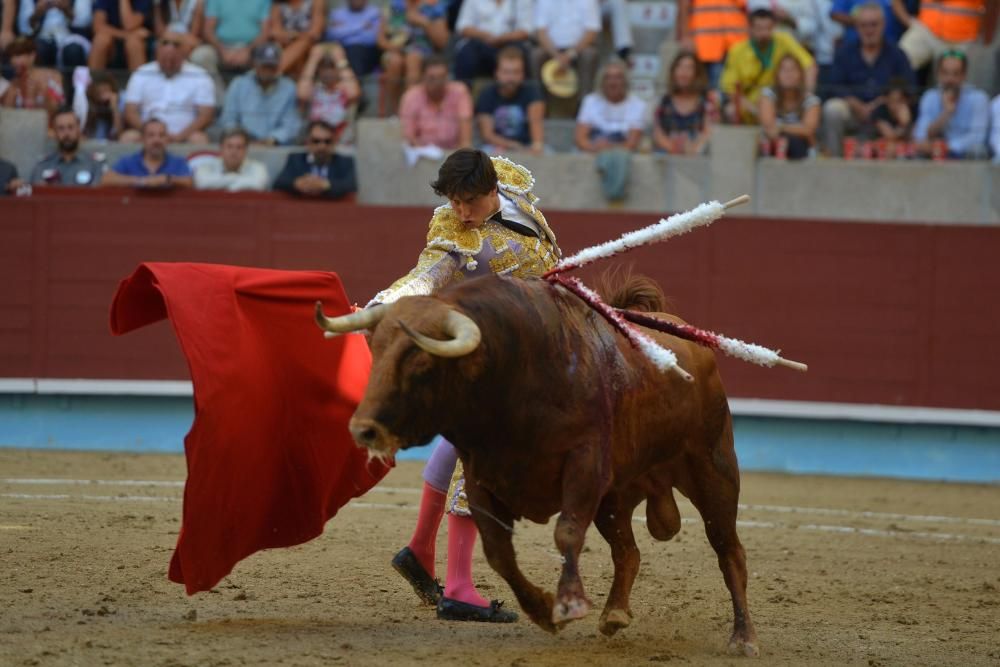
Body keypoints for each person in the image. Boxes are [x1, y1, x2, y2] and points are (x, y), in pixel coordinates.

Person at [373, 148, 560, 623]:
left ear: (494, 188)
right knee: (482, 452)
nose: (461, 212)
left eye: (469, 201)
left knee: (461, 446)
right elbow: (426, 275)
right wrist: (385, 305)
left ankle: (419, 548)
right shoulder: (451, 231)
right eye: (454, 202)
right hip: (488, 353)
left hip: (528, 342)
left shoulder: (513, 185)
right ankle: (457, 586)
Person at [821, 2, 914, 155]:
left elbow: (909, 87)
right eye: (864, 25)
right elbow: (833, 86)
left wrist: (884, 103)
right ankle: (834, 161)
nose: (869, 30)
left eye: (874, 25)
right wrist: (853, 102)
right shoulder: (845, 52)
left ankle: (902, 165)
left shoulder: (897, 54)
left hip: (886, 113)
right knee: (832, 109)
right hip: (854, 111)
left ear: (883, 25)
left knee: (905, 111)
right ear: (856, 27)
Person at [720, 8, 816, 123]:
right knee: (730, 110)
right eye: (759, 29)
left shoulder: (784, 40)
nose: (764, 33)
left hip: (780, 102)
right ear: (749, 28)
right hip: (750, 106)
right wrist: (756, 111)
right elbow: (730, 89)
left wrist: (807, 94)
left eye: (768, 28)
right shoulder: (737, 51)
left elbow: (809, 65)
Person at [120, 27, 215, 143]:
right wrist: (151, 134)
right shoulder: (142, 73)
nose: (169, 48)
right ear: (157, 49)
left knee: (199, 139)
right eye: (164, 43)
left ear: (185, 50)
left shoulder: (200, 75)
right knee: (128, 137)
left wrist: (180, 136)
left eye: (176, 45)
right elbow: (130, 112)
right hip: (147, 134)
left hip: (184, 135)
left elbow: (205, 116)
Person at [574, 58, 646, 202]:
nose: (613, 82)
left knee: (620, 157)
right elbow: (580, 138)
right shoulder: (590, 101)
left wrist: (606, 148)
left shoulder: (638, 105)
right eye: (608, 77)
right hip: (593, 151)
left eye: (618, 77)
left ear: (625, 81)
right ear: (601, 81)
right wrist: (594, 147)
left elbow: (632, 143)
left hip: (620, 152)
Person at [220, 42, 303, 146]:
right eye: (264, 66)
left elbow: (291, 123)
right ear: (255, 64)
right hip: (243, 144)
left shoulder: (289, 87)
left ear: (278, 66)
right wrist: (243, 139)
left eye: (271, 66)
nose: (267, 70)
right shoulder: (238, 84)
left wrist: (273, 138)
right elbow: (228, 119)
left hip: (276, 144)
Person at [377, 0, 449, 116]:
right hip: (395, 49)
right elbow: (380, 40)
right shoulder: (393, 5)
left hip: (422, 51)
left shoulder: (434, 7)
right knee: (395, 61)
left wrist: (424, 23)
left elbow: (442, 42)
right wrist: (392, 47)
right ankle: (395, 111)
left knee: (413, 58)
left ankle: (410, 111)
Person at [913, 50, 989, 159]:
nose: (950, 79)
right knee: (917, 153)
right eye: (945, 73)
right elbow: (920, 135)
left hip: (964, 156)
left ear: (964, 76)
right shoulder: (929, 97)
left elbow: (978, 137)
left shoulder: (978, 98)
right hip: (935, 156)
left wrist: (947, 147)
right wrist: (946, 114)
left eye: (955, 74)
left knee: (977, 150)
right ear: (938, 74)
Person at [474, 45, 544, 154]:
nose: (511, 78)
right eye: (506, 72)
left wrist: (536, 146)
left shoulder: (532, 92)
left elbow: (536, 125)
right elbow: (487, 135)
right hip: (495, 145)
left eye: (516, 72)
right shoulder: (487, 94)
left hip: (526, 144)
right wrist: (513, 146)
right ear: (497, 73)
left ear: (523, 74)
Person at [399, 54, 473, 154]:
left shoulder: (460, 92)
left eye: (442, 77)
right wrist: (428, 154)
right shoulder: (411, 97)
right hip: (422, 155)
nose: (438, 83)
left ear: (448, 77)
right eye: (432, 78)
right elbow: (410, 137)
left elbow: (465, 140)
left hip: (454, 154)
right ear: (422, 77)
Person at [893, 0, 996, 71]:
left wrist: (987, 37)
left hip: (964, 38)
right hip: (927, 30)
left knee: (962, 81)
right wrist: (908, 21)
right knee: (898, 61)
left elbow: (993, 4)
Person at [452, 0, 533, 85]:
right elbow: (463, 27)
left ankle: (527, 94)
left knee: (522, 52)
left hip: (510, 42)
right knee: (466, 53)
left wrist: (502, 38)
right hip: (480, 42)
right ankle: (462, 92)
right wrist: (486, 36)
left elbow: (527, 30)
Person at [652, 50, 717, 155]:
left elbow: (709, 131)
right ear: (673, 72)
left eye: (689, 68)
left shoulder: (707, 101)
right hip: (669, 157)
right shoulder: (663, 101)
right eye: (680, 67)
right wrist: (672, 148)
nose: (684, 72)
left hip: (698, 159)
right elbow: (658, 134)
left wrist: (693, 149)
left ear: (697, 74)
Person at [532, 0, 600, 98]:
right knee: (536, 55)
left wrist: (570, 54)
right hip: (551, 50)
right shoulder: (543, 1)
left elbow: (592, 32)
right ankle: (539, 101)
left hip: (579, 49)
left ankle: (584, 103)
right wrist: (556, 55)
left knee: (589, 55)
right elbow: (541, 32)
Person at [273, 119, 356, 198]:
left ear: (335, 142)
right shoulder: (296, 160)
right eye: (316, 141)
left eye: (327, 141)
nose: (322, 146)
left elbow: (352, 185)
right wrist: (297, 183)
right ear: (307, 142)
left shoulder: (345, 162)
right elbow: (279, 182)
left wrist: (326, 185)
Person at [758, 54, 821, 158]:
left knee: (795, 142)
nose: (788, 74)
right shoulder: (768, 94)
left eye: (793, 70)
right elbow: (769, 128)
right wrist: (796, 129)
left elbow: (809, 130)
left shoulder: (811, 100)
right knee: (776, 141)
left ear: (801, 74)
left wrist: (782, 127)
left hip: (801, 147)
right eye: (783, 70)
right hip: (772, 144)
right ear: (777, 75)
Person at [102, 117, 193, 187]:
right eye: (151, 135)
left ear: (167, 139)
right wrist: (142, 181)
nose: (157, 140)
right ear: (142, 139)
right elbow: (106, 179)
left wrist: (168, 179)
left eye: (161, 135)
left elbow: (189, 182)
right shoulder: (128, 161)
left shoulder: (178, 162)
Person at [677, 0, 747, 88]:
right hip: (707, 45)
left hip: (736, 44)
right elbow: (684, 4)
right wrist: (685, 36)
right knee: (711, 92)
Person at [297, 42, 360, 140]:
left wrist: (340, 59)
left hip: (340, 138)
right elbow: (302, 95)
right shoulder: (313, 88)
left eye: (332, 66)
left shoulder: (344, 87)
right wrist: (313, 59)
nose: (328, 71)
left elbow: (354, 94)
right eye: (323, 66)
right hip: (315, 138)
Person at [192, 0, 271, 73]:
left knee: (268, 56)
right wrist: (223, 51)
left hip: (253, 47)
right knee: (200, 56)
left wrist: (248, 51)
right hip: (220, 46)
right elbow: (208, 30)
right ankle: (216, 87)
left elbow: (265, 32)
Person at [30, 107, 102, 186]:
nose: (66, 133)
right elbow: (36, 195)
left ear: (78, 129)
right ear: (54, 132)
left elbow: (97, 196)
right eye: (61, 128)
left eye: (70, 127)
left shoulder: (94, 165)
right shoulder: (43, 166)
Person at [15, 0, 92, 72]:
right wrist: (37, 13)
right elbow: (24, 28)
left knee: (73, 51)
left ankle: (72, 85)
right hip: (42, 36)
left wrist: (67, 9)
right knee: (39, 49)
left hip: (73, 37)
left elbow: (83, 22)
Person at [0, 36, 64, 118]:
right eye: (11, 56)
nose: (13, 61)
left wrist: (44, 94)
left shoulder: (52, 76)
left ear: (32, 56)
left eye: (18, 55)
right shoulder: (13, 85)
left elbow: (58, 109)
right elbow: (7, 116)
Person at [193, 127, 269, 191]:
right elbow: (201, 183)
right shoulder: (206, 167)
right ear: (221, 148)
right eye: (229, 146)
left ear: (246, 150)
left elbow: (259, 184)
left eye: (239, 147)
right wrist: (235, 179)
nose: (234, 151)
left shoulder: (258, 167)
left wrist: (223, 184)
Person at [88, 0, 155, 72]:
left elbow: (129, 24)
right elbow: (97, 26)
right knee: (101, 40)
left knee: (133, 43)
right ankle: (93, 81)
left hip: (136, 43)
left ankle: (140, 82)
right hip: (114, 39)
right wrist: (126, 35)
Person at [324, 0, 382, 77]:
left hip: (367, 51)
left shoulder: (374, 13)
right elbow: (332, 34)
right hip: (342, 48)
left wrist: (344, 28)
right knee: (335, 52)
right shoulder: (337, 13)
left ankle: (355, 85)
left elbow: (372, 37)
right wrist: (361, 26)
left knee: (355, 51)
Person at [269, 0, 324, 76]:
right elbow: (275, 32)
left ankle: (272, 71)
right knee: (277, 44)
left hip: (309, 44)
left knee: (303, 42)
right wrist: (295, 36)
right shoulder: (278, 4)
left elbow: (315, 32)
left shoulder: (316, 2)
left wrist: (292, 35)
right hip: (286, 43)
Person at [82, 70, 123, 140]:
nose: (103, 97)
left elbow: (118, 133)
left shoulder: (122, 99)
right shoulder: (89, 103)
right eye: (99, 93)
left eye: (105, 90)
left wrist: (114, 108)